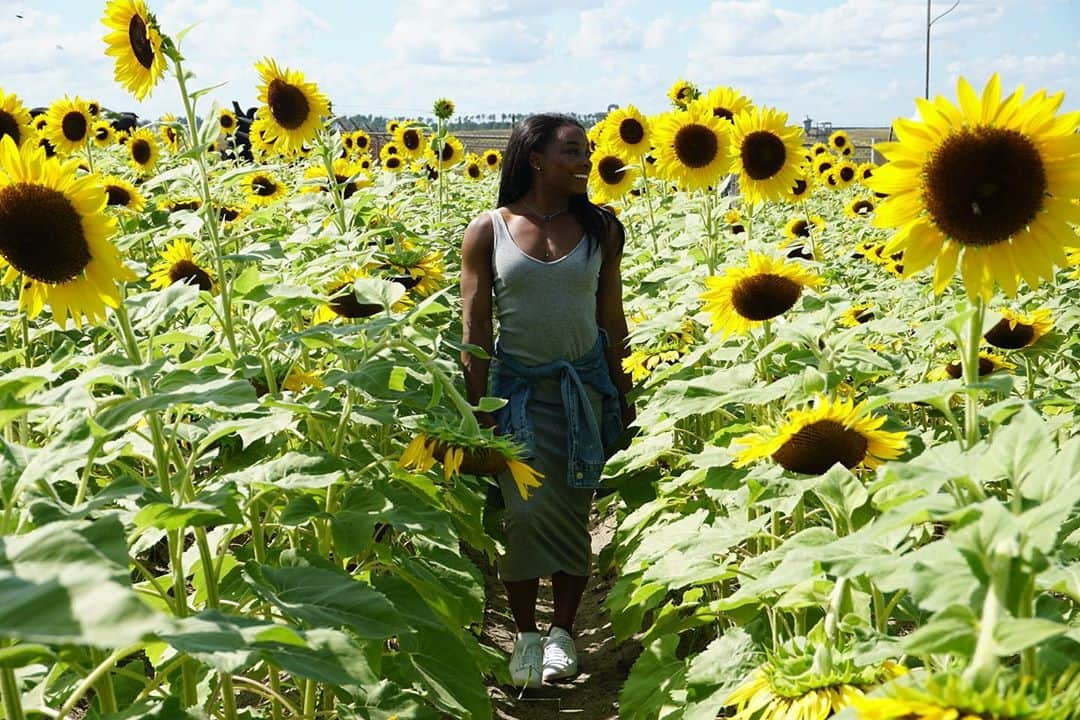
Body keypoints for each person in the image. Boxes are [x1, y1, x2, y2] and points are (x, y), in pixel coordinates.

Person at [459, 113, 635, 690]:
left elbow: (611, 315)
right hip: (515, 394)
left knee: (573, 514)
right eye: (572, 152)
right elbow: (476, 328)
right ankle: (525, 636)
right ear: (535, 159)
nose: (586, 162)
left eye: (586, 151)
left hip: (583, 390)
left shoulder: (602, 229)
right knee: (524, 514)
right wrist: (477, 413)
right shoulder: (489, 230)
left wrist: (624, 389)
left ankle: (562, 633)